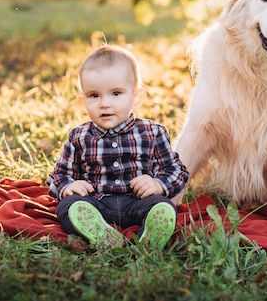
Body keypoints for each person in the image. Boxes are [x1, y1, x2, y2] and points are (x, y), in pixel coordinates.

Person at [47, 45, 189, 250]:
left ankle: (150, 238)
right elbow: (59, 174)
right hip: (96, 204)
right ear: (83, 101)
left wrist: (158, 184)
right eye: (94, 96)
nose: (104, 103)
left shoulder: (152, 132)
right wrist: (68, 187)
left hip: (138, 203)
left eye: (115, 93)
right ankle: (99, 234)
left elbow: (176, 170)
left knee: (163, 206)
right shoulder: (79, 136)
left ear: (136, 97)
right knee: (67, 207)